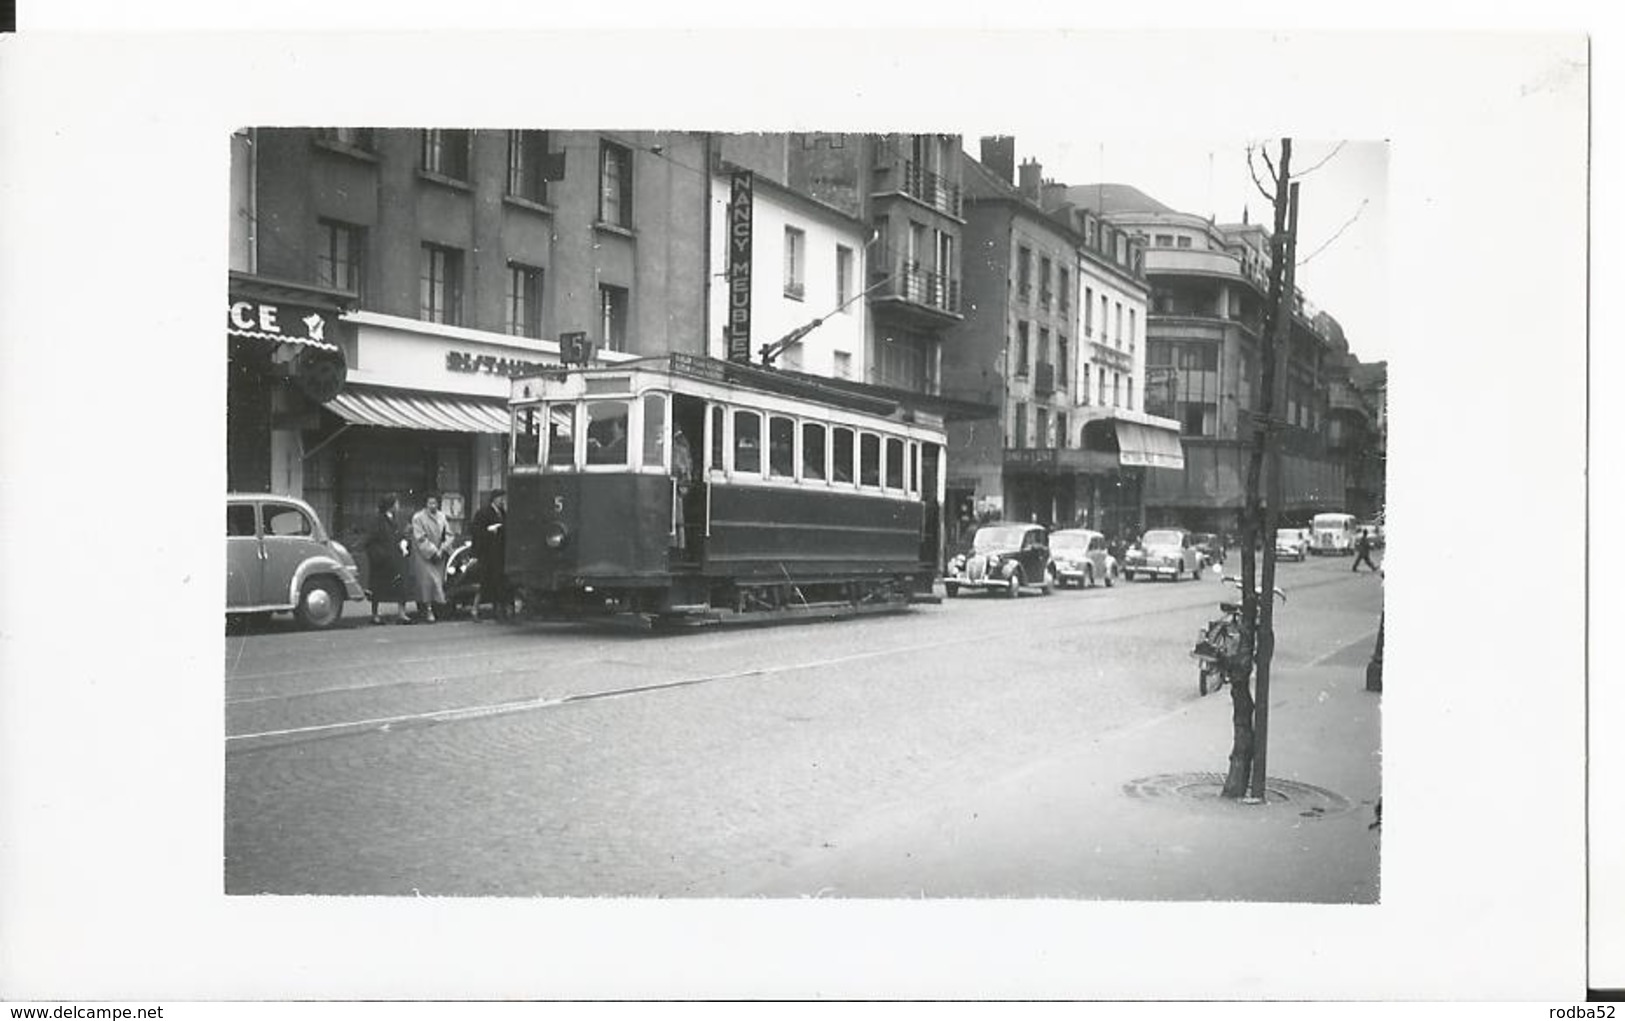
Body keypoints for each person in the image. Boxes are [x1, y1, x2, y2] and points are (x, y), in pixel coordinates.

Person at [364, 494, 411, 624]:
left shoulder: (396, 520)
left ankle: (402, 613)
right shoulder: (378, 520)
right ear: (390, 505)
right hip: (381, 560)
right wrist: (380, 555)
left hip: (396, 558)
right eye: (396, 503)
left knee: (400, 585)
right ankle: (375, 614)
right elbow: (370, 541)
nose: (398, 506)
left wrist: (404, 541)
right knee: (377, 588)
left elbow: (399, 535)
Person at [408, 494, 455, 623]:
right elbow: (419, 537)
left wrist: (443, 548)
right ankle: (428, 610)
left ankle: (435, 608)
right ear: (426, 504)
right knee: (428, 582)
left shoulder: (442, 516)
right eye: (430, 503)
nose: (432, 506)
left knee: (437, 583)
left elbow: (449, 534)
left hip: (439, 555)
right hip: (424, 556)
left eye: (434, 503)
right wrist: (433, 551)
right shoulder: (418, 518)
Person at [468, 490, 509, 621]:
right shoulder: (483, 513)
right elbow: (475, 530)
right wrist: (488, 530)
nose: (502, 501)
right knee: (484, 582)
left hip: (499, 553)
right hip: (487, 554)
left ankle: (498, 610)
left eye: (503, 498)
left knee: (498, 582)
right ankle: (475, 609)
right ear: (494, 499)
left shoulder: (503, 513)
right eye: (500, 498)